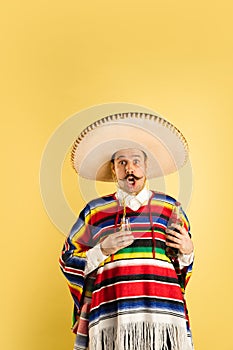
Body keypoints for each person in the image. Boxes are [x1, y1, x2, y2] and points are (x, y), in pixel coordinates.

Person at [59, 112, 194, 350]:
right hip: (112, 315)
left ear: (146, 166)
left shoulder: (170, 207)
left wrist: (187, 251)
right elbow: (67, 260)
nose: (129, 168)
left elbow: (180, 265)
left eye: (135, 161)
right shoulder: (95, 210)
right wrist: (102, 249)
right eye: (121, 162)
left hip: (162, 316)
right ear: (113, 170)